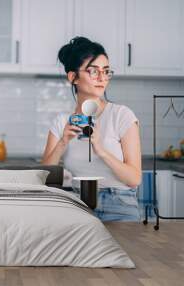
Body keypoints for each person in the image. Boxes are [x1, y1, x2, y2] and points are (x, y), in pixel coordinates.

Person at [42, 36, 142, 221]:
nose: (102, 78)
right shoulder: (61, 122)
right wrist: (63, 142)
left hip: (119, 205)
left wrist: (101, 150)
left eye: (106, 71)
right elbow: (44, 178)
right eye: (93, 71)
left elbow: (134, 179)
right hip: (79, 206)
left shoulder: (122, 115)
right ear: (73, 77)